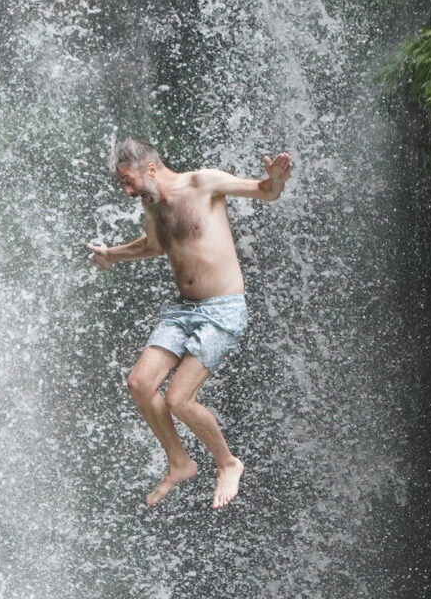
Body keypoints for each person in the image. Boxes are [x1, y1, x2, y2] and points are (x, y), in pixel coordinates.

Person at [86, 137, 293, 510]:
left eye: (128, 181)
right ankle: (180, 462)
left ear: (151, 169)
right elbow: (154, 245)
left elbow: (264, 191)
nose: (127, 191)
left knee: (178, 399)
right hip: (183, 310)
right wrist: (112, 255)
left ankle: (227, 463)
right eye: (123, 184)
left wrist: (274, 180)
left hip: (222, 309)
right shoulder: (152, 203)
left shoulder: (203, 182)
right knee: (139, 383)